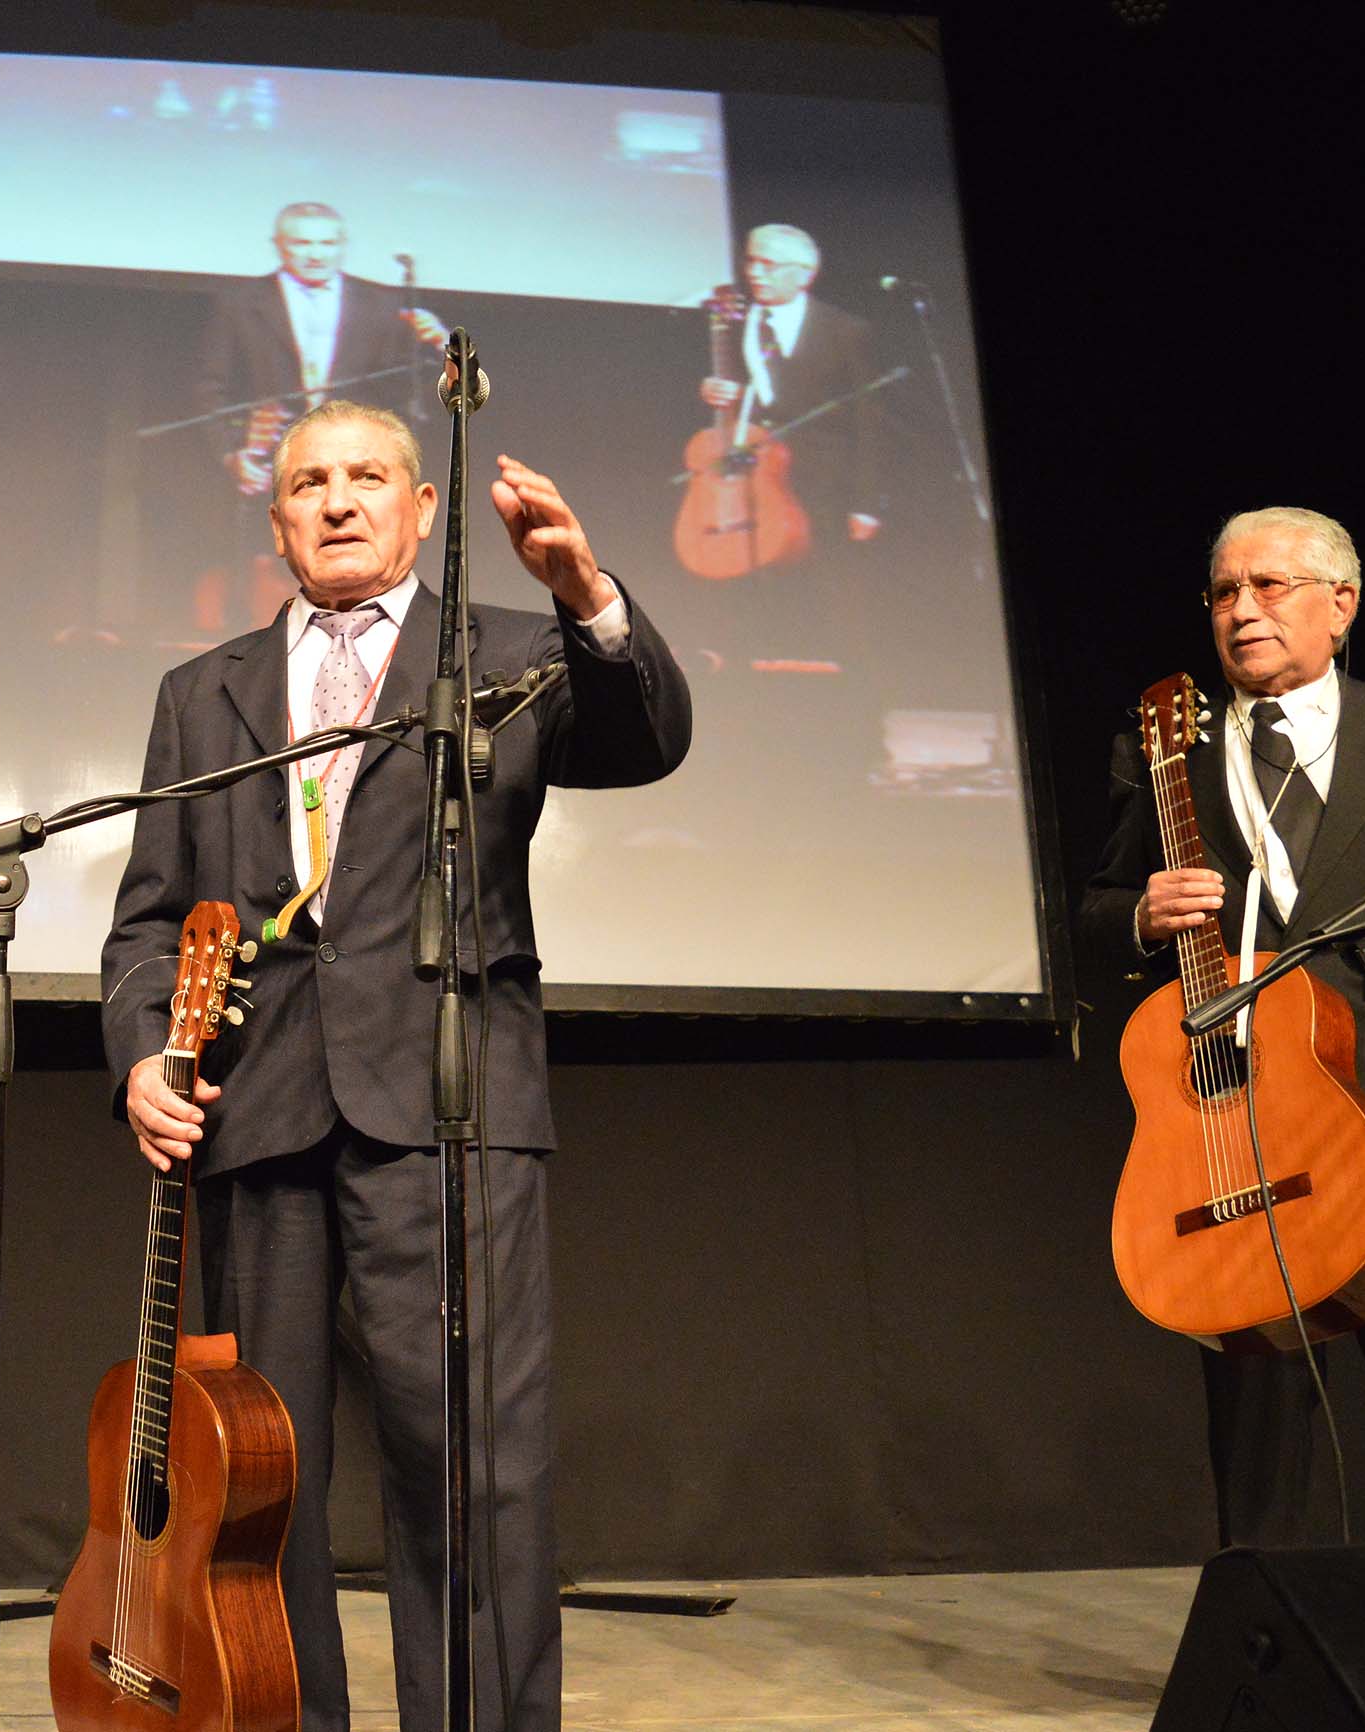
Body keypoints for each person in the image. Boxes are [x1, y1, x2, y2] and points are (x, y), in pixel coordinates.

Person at [101, 399, 692, 1728]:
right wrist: (145, 1054)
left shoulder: (514, 654)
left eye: (369, 477)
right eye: (310, 483)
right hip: (256, 1114)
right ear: (276, 521)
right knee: (265, 1481)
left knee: (470, 1467)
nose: (340, 501)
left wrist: (588, 591)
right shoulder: (204, 693)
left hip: (450, 1107)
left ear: (422, 509)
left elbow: (647, 740)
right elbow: (148, 917)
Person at [1080, 505, 1365, 1544]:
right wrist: (1138, 912)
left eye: (1267, 586)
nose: (1240, 612)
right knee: (1258, 1454)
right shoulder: (1167, 756)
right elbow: (1097, 911)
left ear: (1340, 604)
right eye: (1222, 592)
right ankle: (1267, 1657)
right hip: (1239, 1139)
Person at [189, 204, 446, 631]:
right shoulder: (240, 303)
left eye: (327, 243)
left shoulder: (382, 302)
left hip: (359, 463)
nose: (315, 254)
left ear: (344, 246)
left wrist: (436, 347)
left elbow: (409, 390)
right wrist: (231, 453)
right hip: (269, 466)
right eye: (302, 242)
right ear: (279, 246)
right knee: (257, 588)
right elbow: (208, 387)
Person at [696, 222, 883, 545]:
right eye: (751, 261)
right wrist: (709, 390)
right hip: (747, 487)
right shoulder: (729, 323)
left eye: (768, 265)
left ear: (804, 274)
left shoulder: (846, 331)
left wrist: (866, 502)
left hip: (824, 492)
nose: (755, 273)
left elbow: (870, 421)